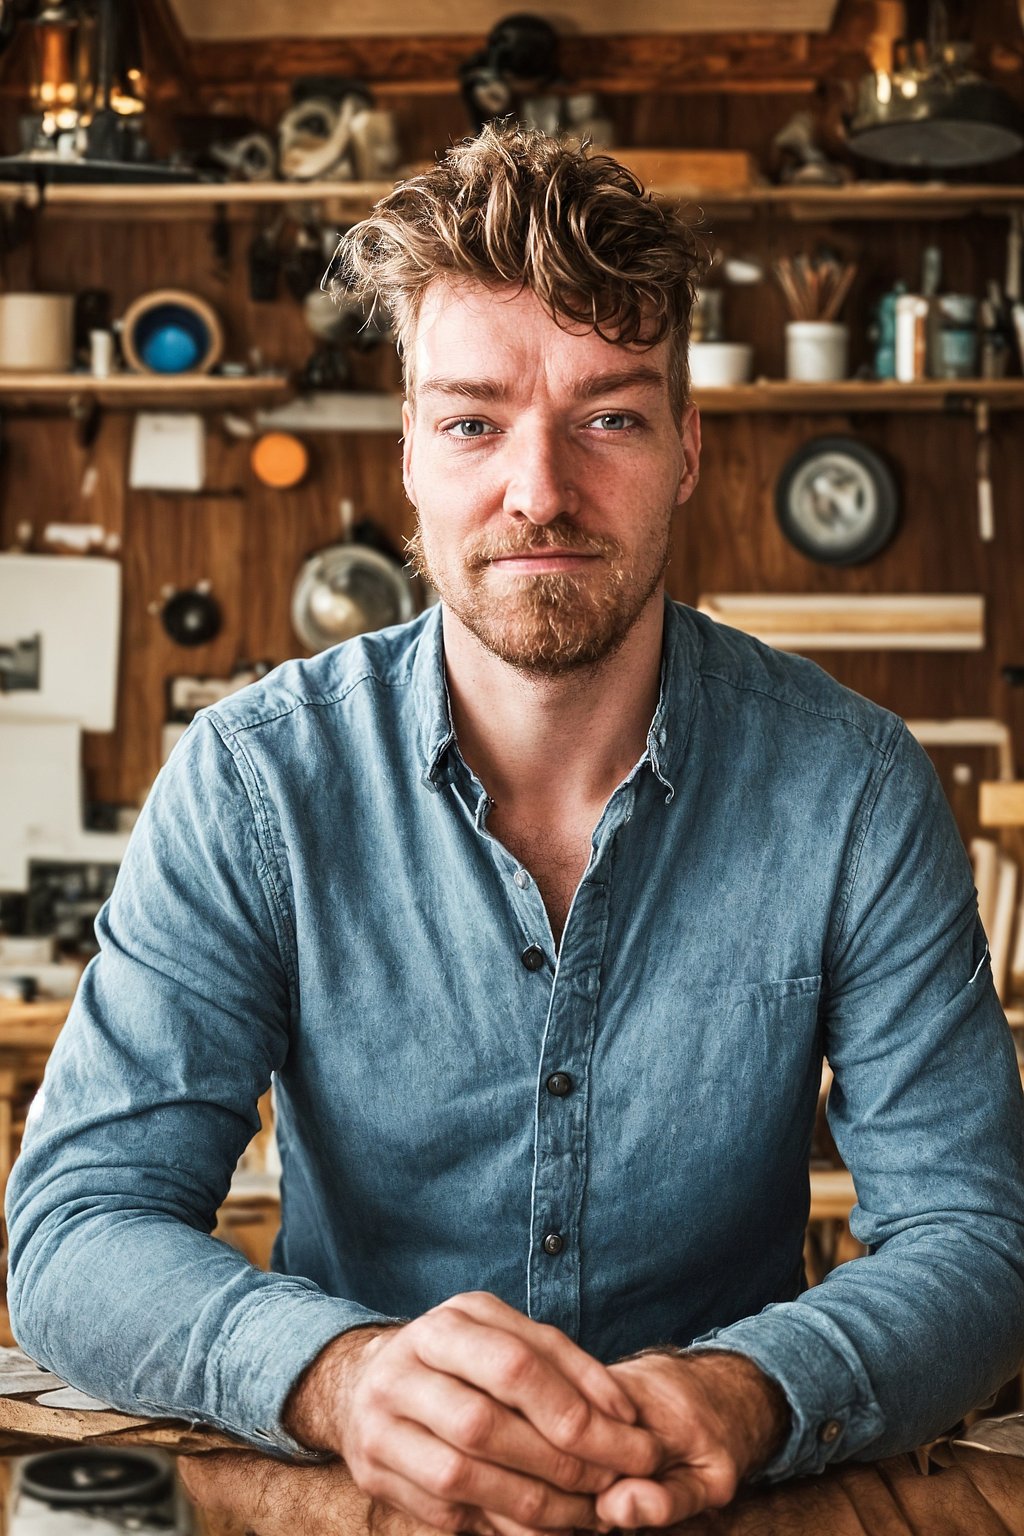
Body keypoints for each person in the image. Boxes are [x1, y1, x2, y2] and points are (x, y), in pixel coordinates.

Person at [7, 123, 1024, 1536]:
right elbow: (75, 1231)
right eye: (474, 421)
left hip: (727, 1506)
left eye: (608, 415)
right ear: (411, 455)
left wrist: (748, 1387)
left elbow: (976, 1240)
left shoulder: (854, 790)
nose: (537, 491)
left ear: (686, 449)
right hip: (364, 1506)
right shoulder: (252, 782)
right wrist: (344, 1381)